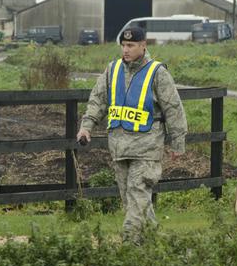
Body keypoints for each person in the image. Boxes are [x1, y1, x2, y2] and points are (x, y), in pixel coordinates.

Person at [76, 26, 187, 241]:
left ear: (143, 46)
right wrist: (86, 126)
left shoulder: (157, 73)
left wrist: (178, 143)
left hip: (146, 149)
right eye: (123, 46)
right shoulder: (113, 69)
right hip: (119, 147)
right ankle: (157, 245)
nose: (125, 50)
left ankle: (129, 247)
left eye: (131, 45)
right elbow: (97, 100)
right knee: (133, 203)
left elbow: (174, 108)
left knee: (137, 196)